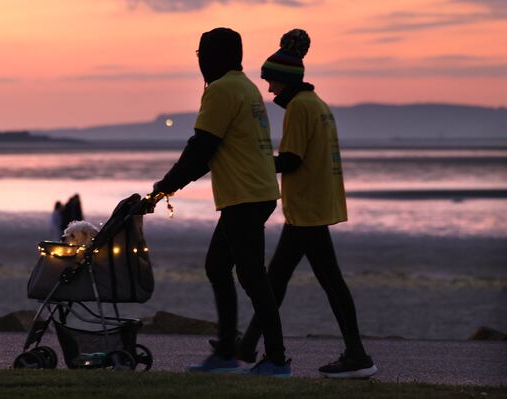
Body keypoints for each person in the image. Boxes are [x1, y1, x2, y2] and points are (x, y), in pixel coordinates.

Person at [235, 28, 378, 379]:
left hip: (307, 211)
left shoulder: (299, 108)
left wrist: (251, 161)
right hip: (312, 205)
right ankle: (246, 345)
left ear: (284, 81)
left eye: (270, 82)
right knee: (277, 279)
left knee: (329, 282)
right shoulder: (318, 104)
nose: (268, 90)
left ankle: (358, 354)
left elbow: (292, 160)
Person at [152, 27, 290, 376]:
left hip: (245, 194)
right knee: (219, 267)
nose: (199, 63)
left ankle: (273, 358)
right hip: (256, 192)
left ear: (215, 57)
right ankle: (230, 349)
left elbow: (201, 149)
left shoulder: (222, 90)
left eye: (201, 55)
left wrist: (164, 188)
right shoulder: (245, 87)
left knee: (252, 277)